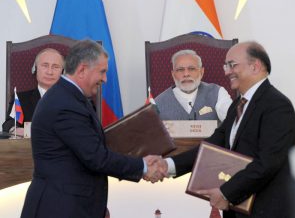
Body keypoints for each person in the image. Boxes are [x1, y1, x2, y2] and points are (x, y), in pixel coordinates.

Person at [149, 41, 295, 218]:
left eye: (232, 65)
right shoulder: (238, 105)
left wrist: (227, 192)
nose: (227, 71)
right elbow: (211, 146)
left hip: (265, 210)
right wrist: (169, 165)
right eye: (226, 65)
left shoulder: (277, 105)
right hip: (237, 210)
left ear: (255, 66)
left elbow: (267, 164)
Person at [20, 40, 160, 218]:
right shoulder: (65, 104)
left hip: (71, 205)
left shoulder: (70, 98)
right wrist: (143, 166)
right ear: (82, 70)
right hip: (59, 207)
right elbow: (96, 157)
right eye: (102, 72)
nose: (105, 79)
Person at [155, 49, 232, 122]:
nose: (186, 74)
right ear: (173, 74)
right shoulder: (157, 103)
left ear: (201, 72)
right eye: (180, 70)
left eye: (191, 69)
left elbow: (233, 120)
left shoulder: (217, 93)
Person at [2, 48, 64, 134]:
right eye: (45, 65)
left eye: (55, 67)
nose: (50, 72)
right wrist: (16, 130)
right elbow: (9, 124)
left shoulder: (75, 100)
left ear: (63, 72)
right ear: (35, 69)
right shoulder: (20, 98)